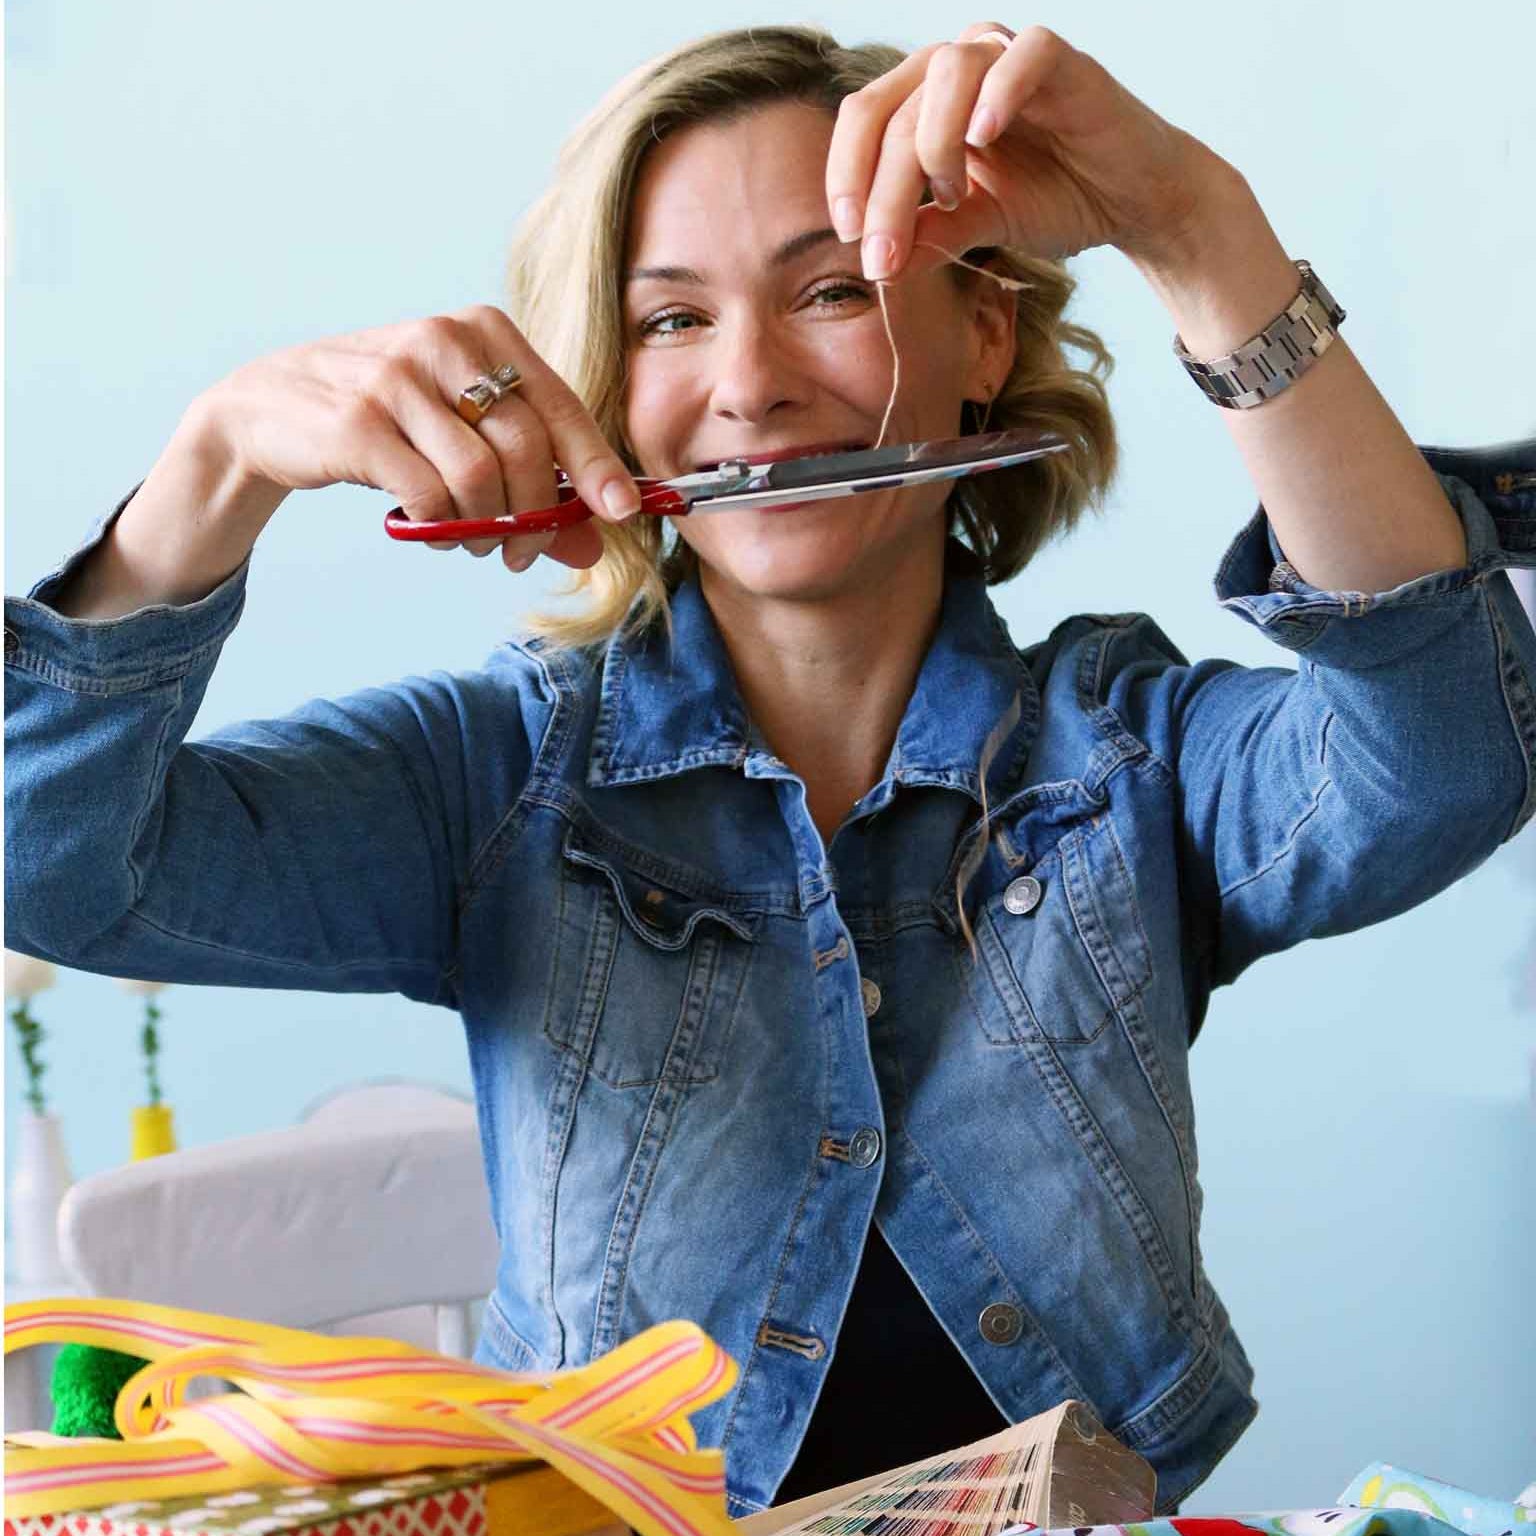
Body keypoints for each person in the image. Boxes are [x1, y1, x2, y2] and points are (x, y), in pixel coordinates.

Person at [6, 20, 1534, 1518]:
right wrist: (213, 468)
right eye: (670, 319)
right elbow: (44, 864)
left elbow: (1447, 758)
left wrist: (1198, 228)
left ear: (983, 335)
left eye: (830, 290)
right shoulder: (494, 785)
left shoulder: (1128, 755)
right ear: (601, 387)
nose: (751, 384)